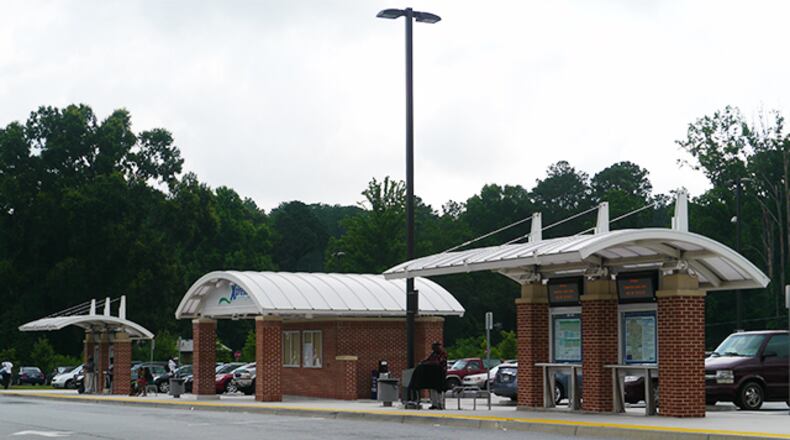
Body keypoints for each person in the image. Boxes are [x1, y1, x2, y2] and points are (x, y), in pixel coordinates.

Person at [420, 342, 448, 409]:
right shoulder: (433, 354)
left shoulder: (443, 354)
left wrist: (429, 363)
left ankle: (440, 404)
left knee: (439, 390)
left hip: (440, 374)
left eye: (435, 347)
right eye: (433, 347)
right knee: (432, 389)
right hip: (433, 374)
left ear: (438, 347)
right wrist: (423, 362)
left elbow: (439, 362)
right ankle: (434, 404)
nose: (433, 349)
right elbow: (428, 360)